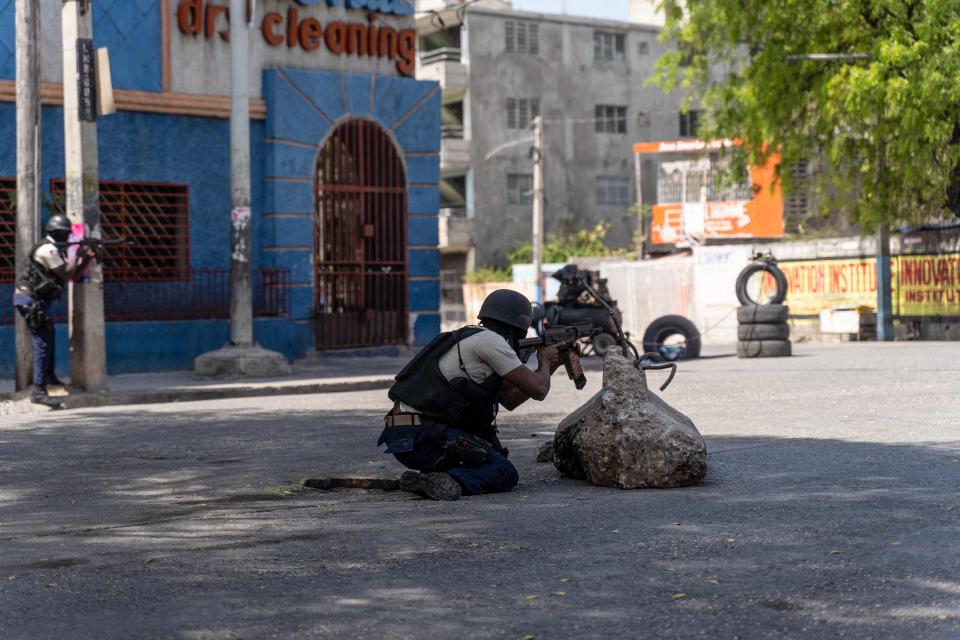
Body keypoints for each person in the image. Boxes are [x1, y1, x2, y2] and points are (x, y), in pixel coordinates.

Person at [378, 289, 562, 501]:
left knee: (491, 457)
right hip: (423, 437)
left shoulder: (474, 337)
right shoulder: (492, 343)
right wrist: (545, 362)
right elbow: (539, 390)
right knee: (503, 472)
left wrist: (551, 366)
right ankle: (448, 481)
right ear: (519, 327)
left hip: (406, 436)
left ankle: (430, 479)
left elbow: (510, 400)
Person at [12, 214, 97, 407]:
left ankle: (49, 377)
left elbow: (72, 277)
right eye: (66, 235)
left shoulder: (54, 249)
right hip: (30, 300)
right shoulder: (48, 249)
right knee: (42, 342)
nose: (68, 238)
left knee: (48, 335)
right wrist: (79, 254)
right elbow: (67, 273)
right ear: (58, 234)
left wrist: (86, 260)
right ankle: (38, 392)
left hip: (36, 301)